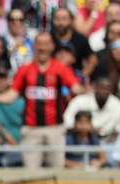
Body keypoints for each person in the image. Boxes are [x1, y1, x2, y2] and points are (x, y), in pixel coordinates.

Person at [12, 33, 84, 169]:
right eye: (39, 44)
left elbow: (75, 87)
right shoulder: (25, 70)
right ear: (34, 46)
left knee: (56, 171)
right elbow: (12, 94)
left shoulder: (60, 69)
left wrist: (84, 89)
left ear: (52, 47)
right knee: (30, 173)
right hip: (31, 129)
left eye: (46, 44)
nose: (42, 48)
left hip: (55, 129)